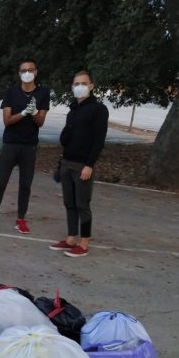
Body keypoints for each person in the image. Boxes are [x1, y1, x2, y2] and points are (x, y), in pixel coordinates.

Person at [0, 60, 49, 234]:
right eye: (23, 70)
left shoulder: (43, 93)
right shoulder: (11, 92)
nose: (27, 73)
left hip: (29, 146)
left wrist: (33, 113)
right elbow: (7, 121)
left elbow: (40, 122)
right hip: (10, 144)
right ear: (19, 74)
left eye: (30, 70)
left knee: (25, 184)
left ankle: (21, 219)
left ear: (36, 72)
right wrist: (24, 113)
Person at [49, 71, 109, 258]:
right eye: (76, 84)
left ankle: (84, 242)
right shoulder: (73, 110)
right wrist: (61, 163)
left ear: (91, 86)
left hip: (83, 165)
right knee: (69, 203)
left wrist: (89, 165)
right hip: (67, 162)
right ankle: (70, 238)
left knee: (82, 204)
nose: (79, 87)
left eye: (83, 83)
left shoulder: (99, 110)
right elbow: (68, 138)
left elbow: (99, 140)